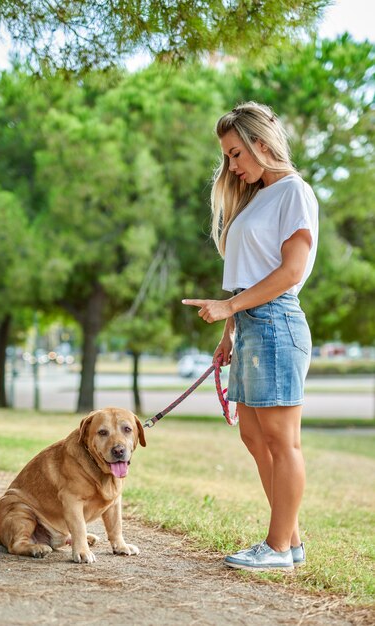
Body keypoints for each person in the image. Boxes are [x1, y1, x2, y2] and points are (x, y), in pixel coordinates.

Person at [182, 101, 318, 571]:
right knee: (254, 438)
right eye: (227, 157)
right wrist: (228, 333)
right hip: (250, 326)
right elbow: (247, 275)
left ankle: (278, 547)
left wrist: (230, 307)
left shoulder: (293, 192)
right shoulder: (258, 197)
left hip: (277, 321)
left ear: (263, 144)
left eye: (236, 153)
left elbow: (290, 272)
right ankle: (291, 542)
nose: (232, 166)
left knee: (283, 442)